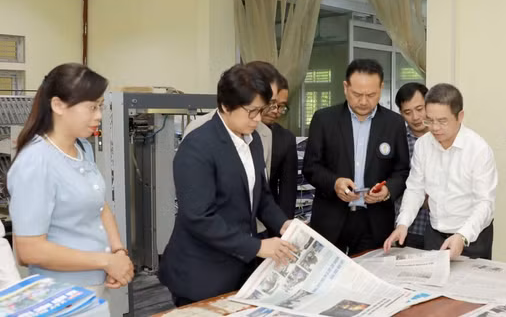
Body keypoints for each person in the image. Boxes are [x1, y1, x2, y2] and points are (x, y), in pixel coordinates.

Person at [159, 64, 296, 306]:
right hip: (202, 272)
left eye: (261, 110)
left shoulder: (253, 140)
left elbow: (261, 197)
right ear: (225, 106)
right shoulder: (198, 146)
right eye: (251, 111)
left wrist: (284, 224)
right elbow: (199, 217)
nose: (257, 119)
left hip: (240, 268)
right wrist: (257, 246)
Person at [8, 63, 134, 297]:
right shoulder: (36, 161)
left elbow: (99, 205)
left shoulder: (83, 147)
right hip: (59, 294)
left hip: (96, 286)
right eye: (92, 107)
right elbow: (29, 250)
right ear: (58, 105)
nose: (99, 115)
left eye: (101, 106)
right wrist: (106, 261)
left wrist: (118, 252)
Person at [303, 59, 410, 256]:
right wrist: (335, 183)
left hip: (374, 221)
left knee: (370, 272)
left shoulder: (394, 123)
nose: (363, 101)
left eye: (371, 95)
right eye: (357, 94)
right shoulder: (324, 119)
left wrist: (387, 190)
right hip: (331, 219)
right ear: (346, 88)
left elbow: (402, 170)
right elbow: (311, 167)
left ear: (381, 88)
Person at [384, 84, 498, 259]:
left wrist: (463, 236)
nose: (435, 128)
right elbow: (415, 189)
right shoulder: (423, 145)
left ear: (460, 116)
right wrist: (403, 224)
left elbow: (485, 203)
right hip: (435, 235)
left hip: (471, 236)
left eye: (442, 121)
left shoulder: (478, 149)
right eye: (429, 120)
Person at [392, 82, 432, 250]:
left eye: (420, 109)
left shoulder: (444, 138)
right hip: (410, 228)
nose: (415, 117)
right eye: (407, 112)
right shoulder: (397, 141)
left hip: (444, 228)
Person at [262, 72, 298, 221]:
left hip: (270, 219)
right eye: (271, 103)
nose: (276, 111)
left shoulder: (285, 139)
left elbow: (287, 193)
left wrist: (285, 226)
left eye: (281, 106)